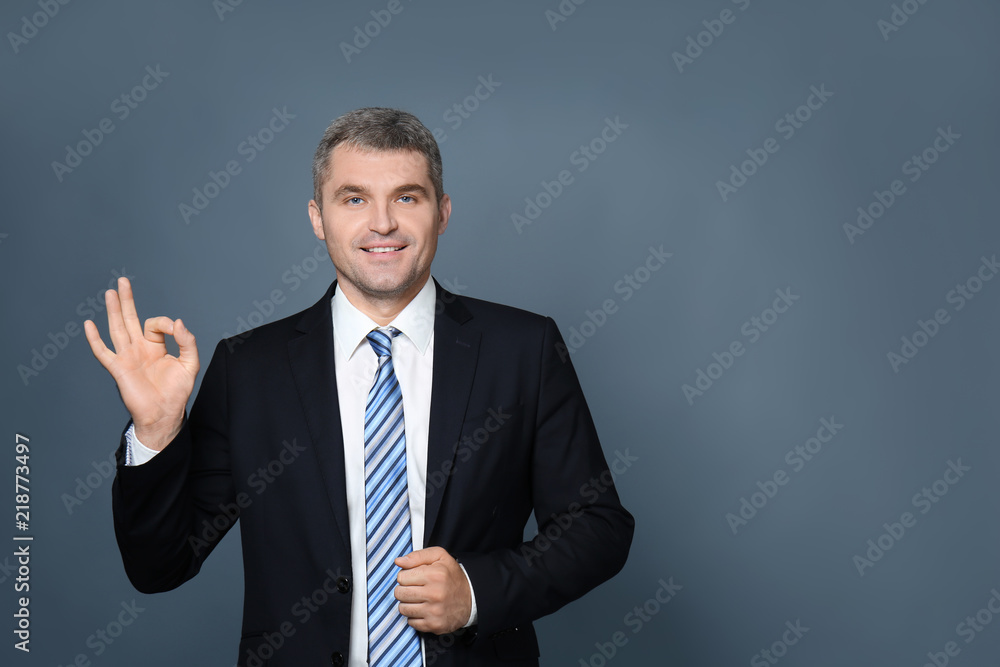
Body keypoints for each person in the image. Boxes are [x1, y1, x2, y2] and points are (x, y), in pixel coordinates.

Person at [85, 107, 634, 667]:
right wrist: (156, 432)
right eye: (353, 199)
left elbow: (598, 528)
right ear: (317, 217)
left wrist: (475, 592)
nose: (382, 223)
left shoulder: (523, 349)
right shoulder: (247, 369)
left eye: (407, 197)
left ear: (442, 212)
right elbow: (158, 567)